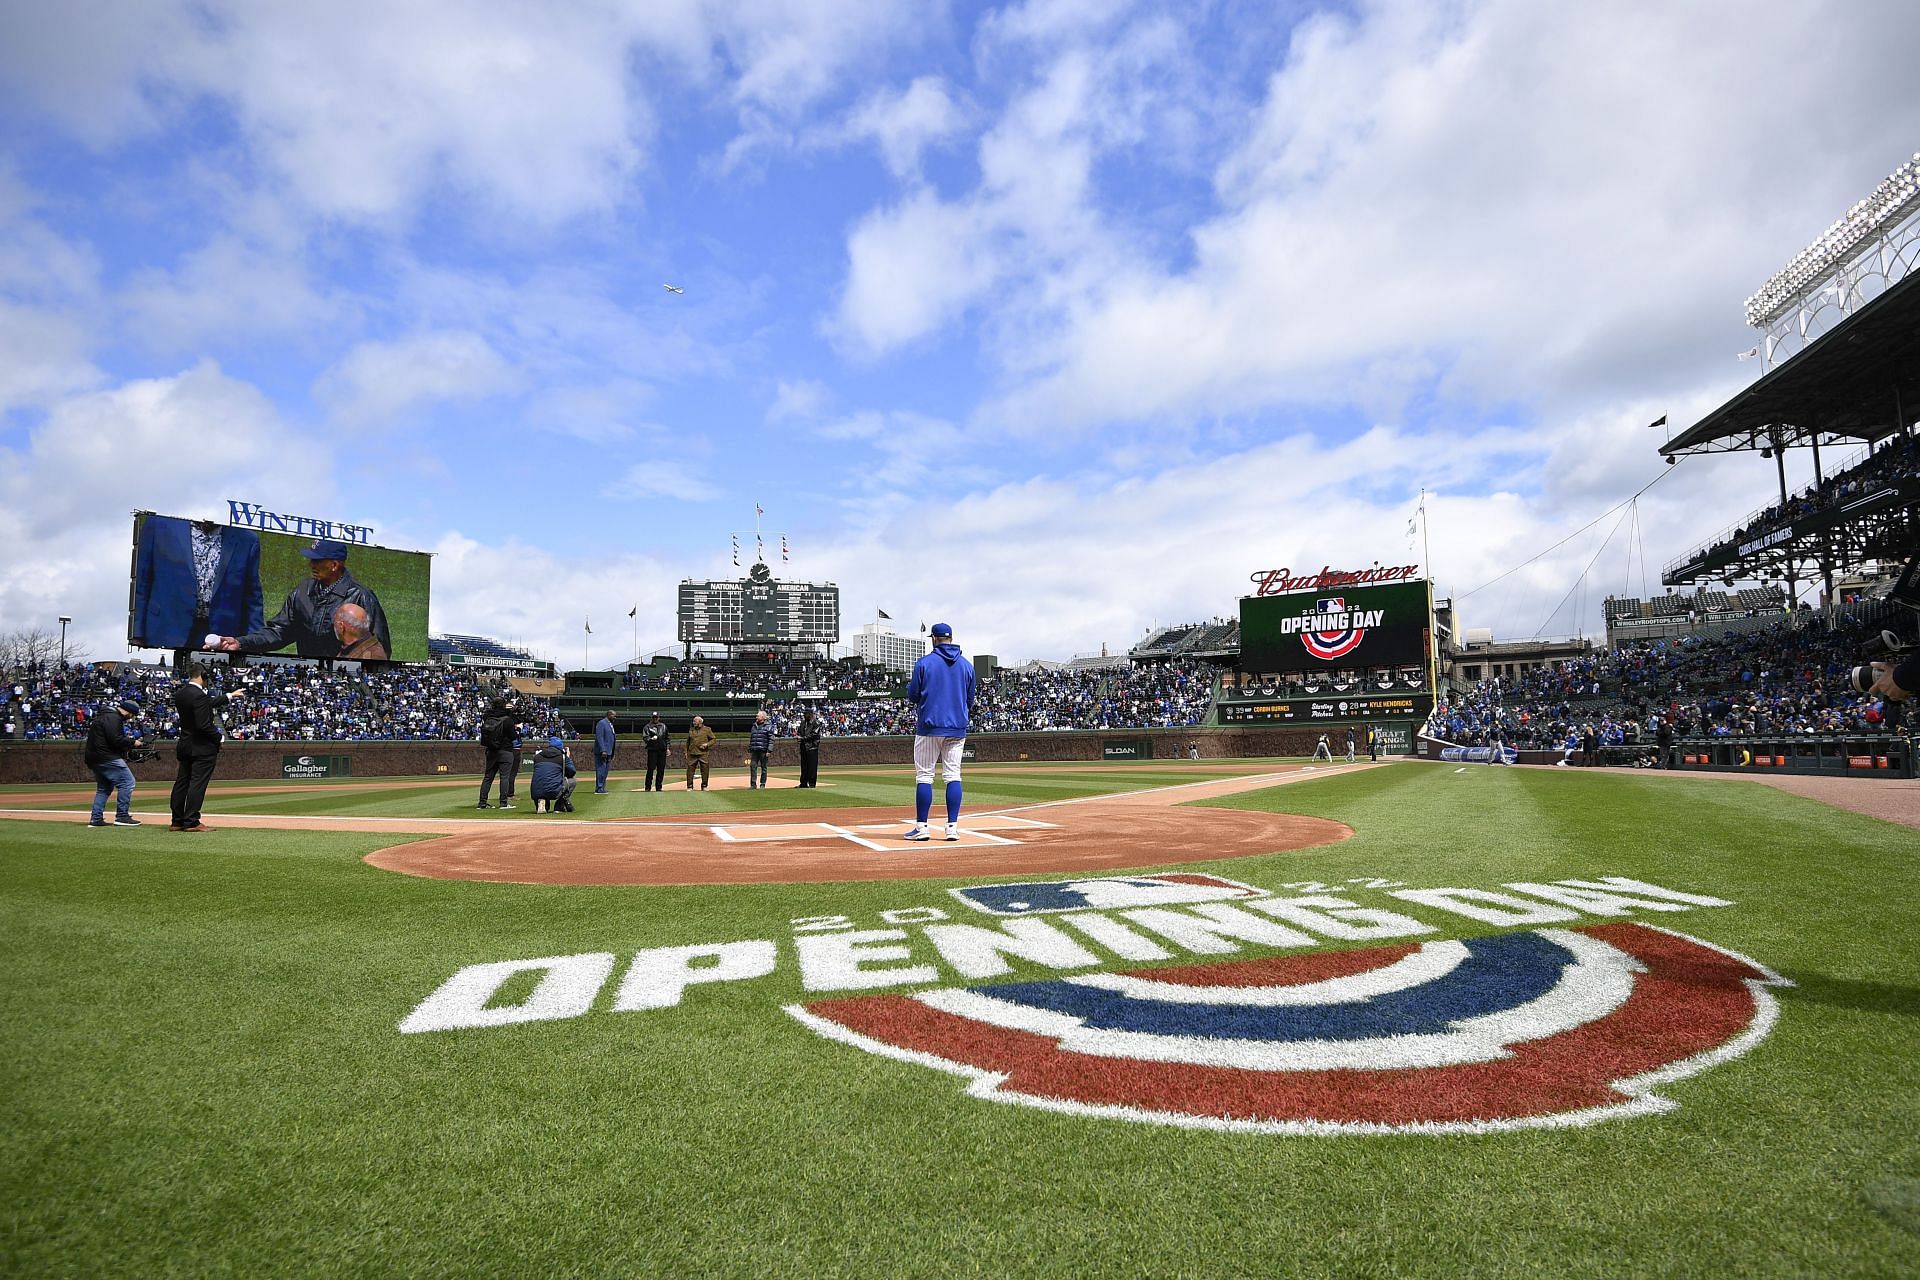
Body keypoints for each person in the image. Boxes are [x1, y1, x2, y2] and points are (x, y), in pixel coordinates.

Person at [212, 538, 389, 659]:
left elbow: (379, 648)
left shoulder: (361, 597)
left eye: (317, 561)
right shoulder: (302, 591)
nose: (311, 564)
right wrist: (241, 642)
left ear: (334, 565)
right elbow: (279, 632)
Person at [131, 516, 264, 651]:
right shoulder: (158, 525)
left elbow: (252, 597)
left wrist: (255, 644)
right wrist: (136, 633)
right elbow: (141, 582)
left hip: (221, 639)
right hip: (164, 631)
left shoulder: (247, 540)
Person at [903, 622, 975, 842]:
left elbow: (913, 695)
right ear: (951, 638)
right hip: (957, 727)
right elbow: (969, 700)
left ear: (934, 639)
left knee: (925, 776)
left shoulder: (924, 663)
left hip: (930, 726)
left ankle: (922, 827)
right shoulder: (966, 665)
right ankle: (952, 828)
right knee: (953, 776)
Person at [169, 663, 238, 832]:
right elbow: (203, 724)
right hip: (201, 747)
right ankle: (191, 821)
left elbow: (206, 703)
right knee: (197, 784)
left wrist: (229, 695)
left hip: (185, 745)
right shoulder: (199, 695)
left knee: (181, 783)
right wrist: (219, 737)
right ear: (203, 676)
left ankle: (177, 820)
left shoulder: (181, 694)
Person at [84, 694, 145, 827]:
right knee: (128, 782)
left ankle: (96, 819)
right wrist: (132, 742)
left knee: (104, 788)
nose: (132, 718)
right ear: (128, 711)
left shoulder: (104, 715)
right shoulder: (113, 718)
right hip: (106, 757)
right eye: (132, 715)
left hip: (94, 758)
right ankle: (122, 816)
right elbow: (116, 740)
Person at [477, 696, 517, 809]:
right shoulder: (507, 719)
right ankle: (503, 803)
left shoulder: (487, 716)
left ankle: (482, 803)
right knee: (504, 777)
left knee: (488, 777)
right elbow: (513, 736)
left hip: (491, 750)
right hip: (505, 750)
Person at [529, 736, 578, 813]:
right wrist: (567, 758)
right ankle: (559, 807)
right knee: (572, 781)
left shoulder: (537, 756)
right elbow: (572, 772)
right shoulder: (562, 757)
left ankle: (542, 803)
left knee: (543, 780)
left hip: (536, 792)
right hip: (553, 791)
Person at [685, 715, 715, 790]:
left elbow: (713, 739)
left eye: (695, 721)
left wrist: (707, 744)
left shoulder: (707, 729)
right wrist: (686, 752)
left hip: (703, 754)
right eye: (693, 721)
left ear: (700, 722)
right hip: (692, 753)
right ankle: (690, 786)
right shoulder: (691, 730)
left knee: (705, 771)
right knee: (690, 771)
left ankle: (704, 786)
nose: (693, 722)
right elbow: (688, 742)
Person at [642, 712, 670, 791]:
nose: (655, 719)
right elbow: (645, 737)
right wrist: (650, 739)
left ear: (659, 717)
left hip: (662, 750)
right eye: (654, 717)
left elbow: (667, 738)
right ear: (651, 718)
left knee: (661, 769)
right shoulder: (647, 727)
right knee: (651, 768)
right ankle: (648, 787)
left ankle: (659, 786)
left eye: (656, 717)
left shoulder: (663, 726)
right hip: (652, 750)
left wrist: (667, 748)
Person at [593, 709, 617, 793]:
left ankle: (602, 787)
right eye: (614, 715)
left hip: (609, 752)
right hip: (602, 752)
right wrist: (603, 750)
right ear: (609, 715)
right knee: (601, 770)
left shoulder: (610, 724)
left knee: (605, 771)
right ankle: (599, 788)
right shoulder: (602, 723)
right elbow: (600, 737)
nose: (615, 717)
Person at [747, 709, 773, 788]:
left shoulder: (768, 727)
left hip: (763, 750)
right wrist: (750, 747)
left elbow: (771, 739)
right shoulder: (754, 726)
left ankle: (762, 783)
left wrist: (769, 750)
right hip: (755, 750)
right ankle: (753, 784)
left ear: (763, 717)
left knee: (764, 768)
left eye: (758, 716)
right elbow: (752, 738)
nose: (756, 717)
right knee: (753, 767)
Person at [797, 708, 822, 788]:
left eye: (806, 714)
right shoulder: (803, 723)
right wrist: (799, 737)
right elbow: (799, 731)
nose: (804, 715)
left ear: (810, 714)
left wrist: (802, 738)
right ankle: (803, 783)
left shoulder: (816, 723)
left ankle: (811, 783)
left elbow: (814, 734)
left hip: (812, 747)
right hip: (804, 747)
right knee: (804, 766)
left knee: (812, 767)